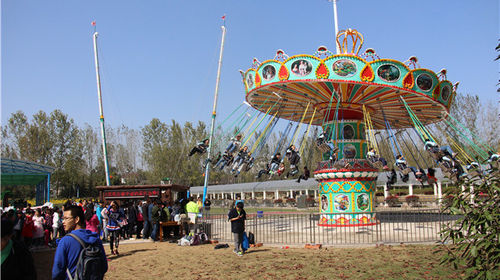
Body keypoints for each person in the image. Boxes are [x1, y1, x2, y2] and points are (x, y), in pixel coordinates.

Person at [52, 205, 107, 280]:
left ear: (76, 219)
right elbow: (104, 266)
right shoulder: (96, 239)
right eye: (63, 219)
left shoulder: (65, 241)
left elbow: (57, 270)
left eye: (66, 218)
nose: (63, 222)